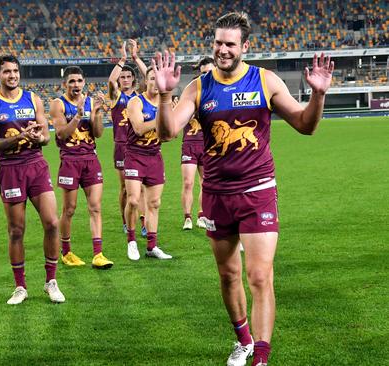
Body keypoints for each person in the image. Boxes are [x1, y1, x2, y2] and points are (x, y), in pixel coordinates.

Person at [152, 12, 334, 366]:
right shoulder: (199, 87)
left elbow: (305, 125)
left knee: (259, 274)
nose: (222, 49)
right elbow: (167, 132)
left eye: (230, 44)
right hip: (217, 195)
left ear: (245, 47)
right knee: (228, 274)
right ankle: (243, 339)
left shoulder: (265, 81)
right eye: (218, 42)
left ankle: (261, 358)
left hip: (258, 190)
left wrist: (318, 97)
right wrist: (163, 96)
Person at [0, 55, 65, 305]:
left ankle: (51, 281)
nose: (12, 75)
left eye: (15, 71)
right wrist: (20, 137)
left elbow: (46, 138)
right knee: (16, 230)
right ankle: (20, 286)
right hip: (10, 169)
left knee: (51, 223)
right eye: (7, 71)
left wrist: (38, 138)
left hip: (36, 165)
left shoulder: (33, 99)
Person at [49, 66, 113, 269]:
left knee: (95, 207)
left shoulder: (91, 102)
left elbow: (99, 133)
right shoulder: (58, 104)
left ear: (84, 82)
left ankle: (98, 254)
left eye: (79, 81)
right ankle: (66, 252)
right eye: (72, 81)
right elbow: (61, 134)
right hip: (70, 160)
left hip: (91, 160)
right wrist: (77, 116)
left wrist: (98, 114)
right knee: (69, 209)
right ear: (65, 84)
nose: (76, 85)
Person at [123, 66, 173, 261]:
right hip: (135, 154)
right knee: (134, 200)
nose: (154, 83)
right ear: (146, 80)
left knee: (154, 203)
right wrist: (162, 118)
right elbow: (138, 128)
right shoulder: (136, 102)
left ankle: (152, 246)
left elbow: (170, 135)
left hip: (154, 155)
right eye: (151, 79)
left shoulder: (164, 102)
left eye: (158, 79)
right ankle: (132, 241)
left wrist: (168, 125)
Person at [108, 39, 149, 237]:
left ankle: (142, 222)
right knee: (125, 187)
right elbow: (110, 81)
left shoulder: (140, 96)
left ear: (133, 79)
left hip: (139, 144)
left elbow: (150, 76)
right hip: (121, 146)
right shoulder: (116, 96)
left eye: (127, 77)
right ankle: (126, 220)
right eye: (122, 77)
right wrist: (123, 59)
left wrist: (135, 57)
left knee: (140, 187)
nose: (124, 79)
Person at [180, 56, 215, 230]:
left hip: (208, 145)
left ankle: (202, 215)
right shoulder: (192, 91)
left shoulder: (218, 93)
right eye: (203, 73)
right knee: (188, 183)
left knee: (206, 182)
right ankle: (187, 217)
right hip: (190, 143)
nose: (207, 75)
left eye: (209, 72)